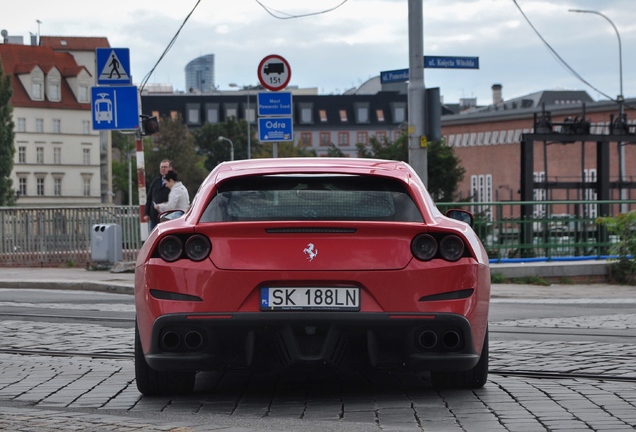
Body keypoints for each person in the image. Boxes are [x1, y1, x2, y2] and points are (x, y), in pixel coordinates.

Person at [144, 159, 172, 230]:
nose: (163, 169)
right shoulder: (155, 182)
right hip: (154, 217)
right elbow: (149, 198)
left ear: (170, 168)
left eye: (165, 167)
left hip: (167, 218)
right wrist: (146, 213)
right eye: (161, 167)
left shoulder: (173, 183)